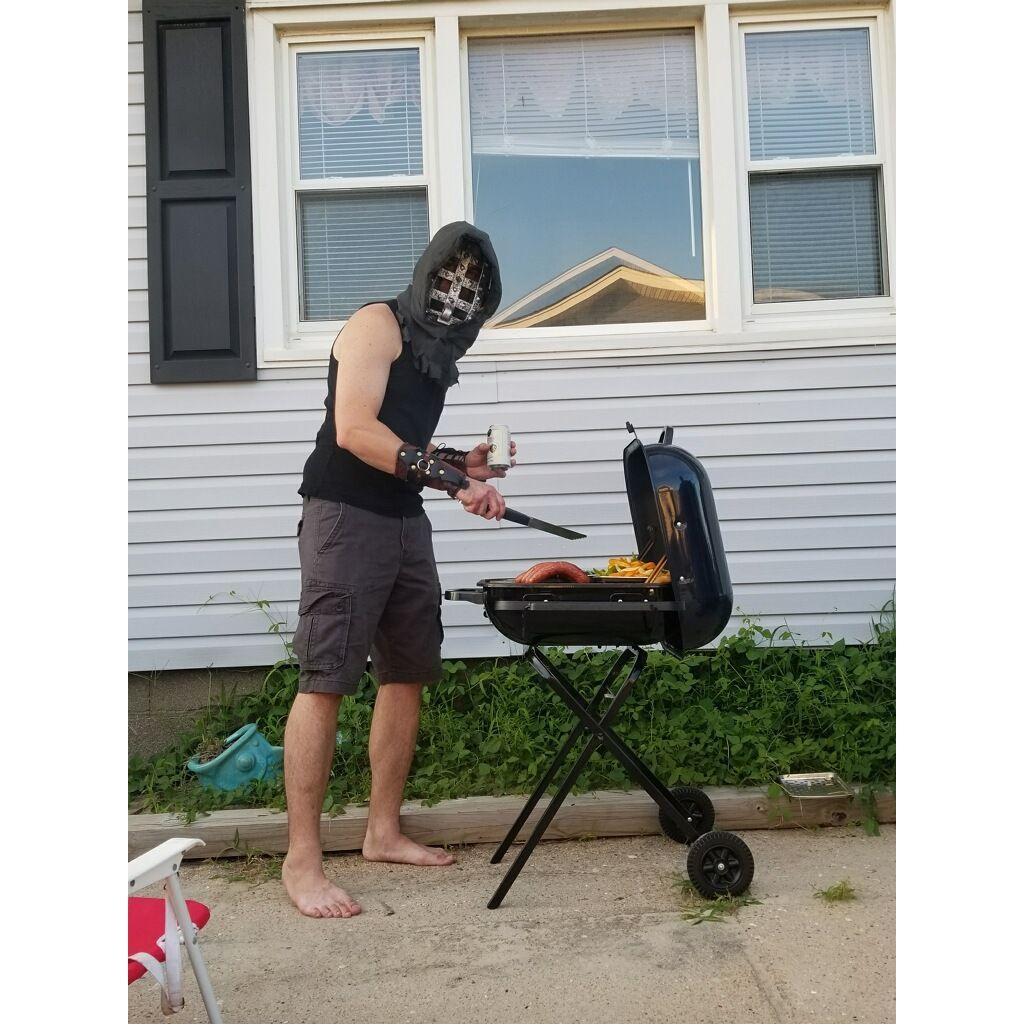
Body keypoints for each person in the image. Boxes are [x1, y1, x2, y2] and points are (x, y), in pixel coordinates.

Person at [282, 222, 514, 918]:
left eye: (472, 286)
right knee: (326, 679)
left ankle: (381, 832)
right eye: (448, 276)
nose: (456, 293)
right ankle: (301, 861)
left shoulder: (436, 353)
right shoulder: (377, 325)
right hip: (345, 513)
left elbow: (401, 439)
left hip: (404, 516)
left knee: (407, 671)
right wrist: (454, 483)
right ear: (426, 271)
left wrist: (461, 463)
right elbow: (355, 429)